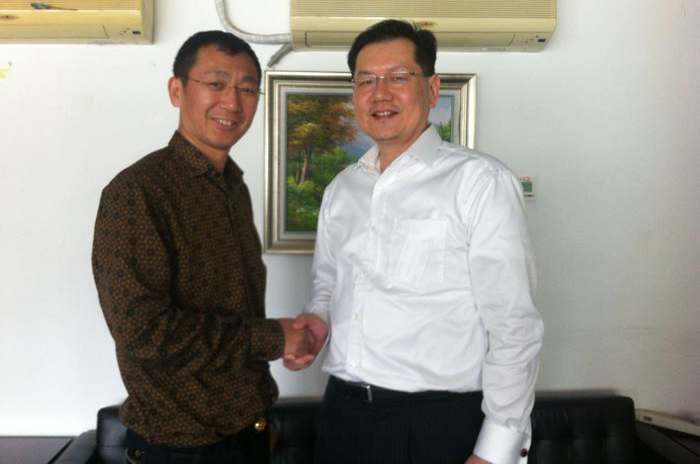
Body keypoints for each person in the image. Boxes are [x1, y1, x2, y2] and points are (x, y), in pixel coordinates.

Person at [285, 20, 544, 464]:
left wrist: (497, 449)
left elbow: (513, 323)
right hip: (343, 415)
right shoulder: (342, 189)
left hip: (434, 423)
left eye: (398, 77)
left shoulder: (479, 182)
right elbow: (328, 284)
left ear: (432, 87)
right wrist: (318, 318)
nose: (380, 93)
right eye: (366, 80)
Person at [92, 30, 310, 464]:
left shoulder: (233, 187)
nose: (233, 102)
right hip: (180, 449)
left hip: (248, 433)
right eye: (216, 84)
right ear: (177, 90)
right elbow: (144, 333)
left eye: (246, 89)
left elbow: (234, 312)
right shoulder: (138, 192)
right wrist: (274, 337)